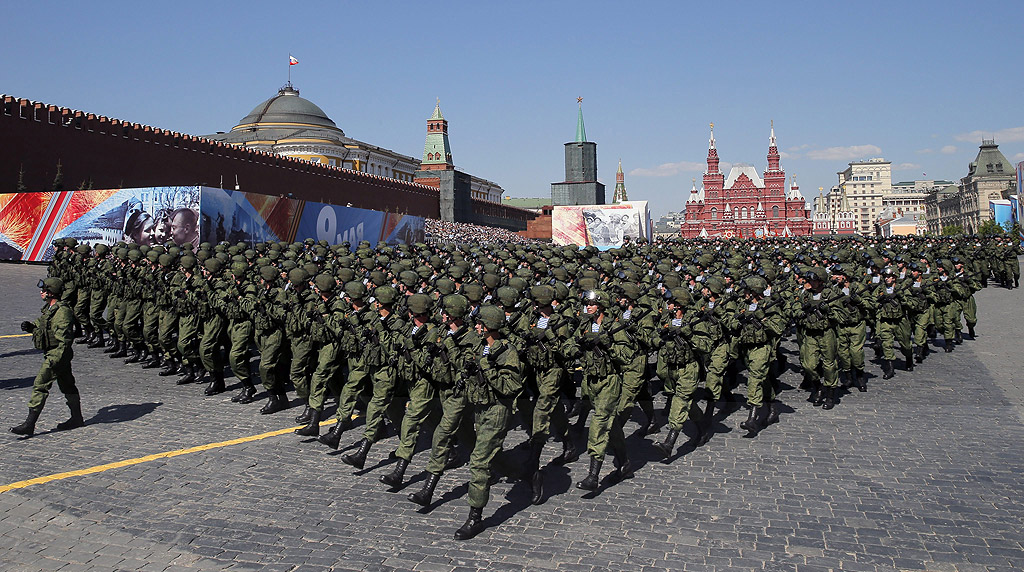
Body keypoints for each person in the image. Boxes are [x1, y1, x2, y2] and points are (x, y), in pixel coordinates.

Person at [11, 278, 84, 436]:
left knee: (40, 385)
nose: (41, 292)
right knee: (67, 385)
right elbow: (43, 324)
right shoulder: (50, 308)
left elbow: (64, 340)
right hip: (55, 353)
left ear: (52, 292)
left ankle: (30, 424)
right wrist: (32, 327)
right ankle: (77, 418)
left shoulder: (62, 312)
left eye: (44, 290)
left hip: (56, 354)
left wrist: (56, 359)